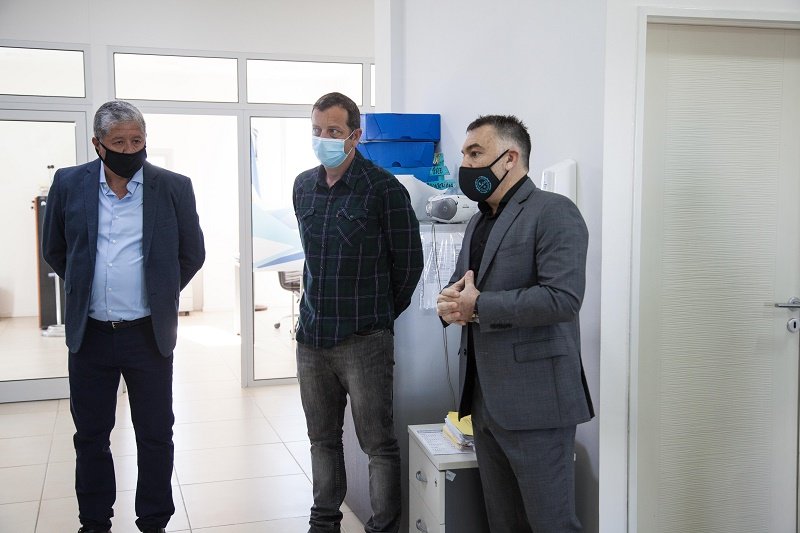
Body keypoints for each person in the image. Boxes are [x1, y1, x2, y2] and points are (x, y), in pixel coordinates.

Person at [42, 100, 206, 533]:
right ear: (98, 144)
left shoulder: (173, 187)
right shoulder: (69, 183)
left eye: (137, 140)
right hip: (91, 335)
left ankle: (153, 521)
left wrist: (160, 292)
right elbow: (55, 249)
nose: (130, 149)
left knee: (155, 435)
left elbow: (192, 253)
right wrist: (84, 288)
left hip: (148, 335)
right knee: (91, 437)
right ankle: (95, 522)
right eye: (119, 142)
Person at [436, 115, 593, 532]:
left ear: (510, 158)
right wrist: (449, 302)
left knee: (551, 523)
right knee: (504, 522)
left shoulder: (554, 212)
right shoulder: (477, 221)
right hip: (484, 402)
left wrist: (479, 307)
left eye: (475, 153)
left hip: (537, 403)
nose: (465, 164)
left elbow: (562, 299)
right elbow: (463, 286)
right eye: (464, 154)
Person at [292, 92, 424, 533]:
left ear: (355, 135)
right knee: (322, 440)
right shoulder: (303, 186)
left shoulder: (383, 188)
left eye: (334, 131)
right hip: (312, 338)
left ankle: (382, 527)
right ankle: (324, 522)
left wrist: (378, 316)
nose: (324, 138)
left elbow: (409, 265)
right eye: (317, 130)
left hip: (364, 340)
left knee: (377, 444)